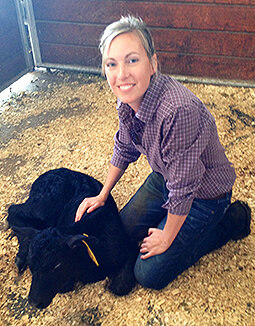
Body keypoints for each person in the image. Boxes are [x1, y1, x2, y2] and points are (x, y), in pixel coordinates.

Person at [75, 16, 251, 290]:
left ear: (153, 63)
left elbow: (184, 186)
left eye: (132, 60)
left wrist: (167, 237)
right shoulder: (127, 99)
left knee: (148, 274)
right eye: (112, 64)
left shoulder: (177, 111)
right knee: (122, 231)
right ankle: (174, 230)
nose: (121, 74)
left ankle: (230, 220)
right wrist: (103, 193)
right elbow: (124, 145)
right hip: (164, 178)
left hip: (205, 195)